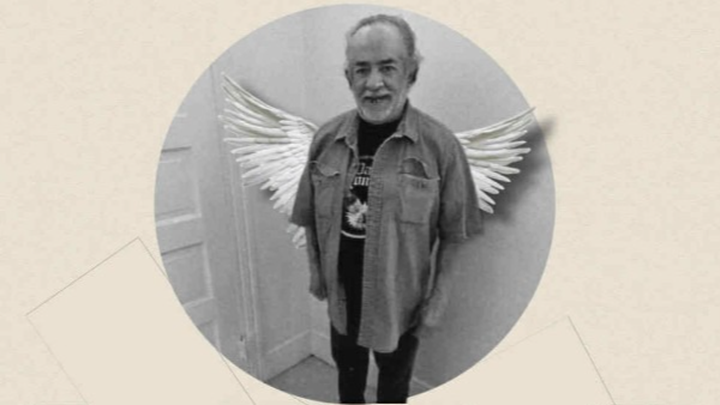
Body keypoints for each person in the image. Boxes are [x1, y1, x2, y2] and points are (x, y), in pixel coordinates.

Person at [290, 14, 483, 404]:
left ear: (410, 72)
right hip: (342, 299)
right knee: (348, 384)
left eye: (387, 67)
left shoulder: (440, 147)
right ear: (348, 77)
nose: (373, 82)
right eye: (361, 69)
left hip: (400, 305)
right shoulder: (325, 139)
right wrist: (315, 271)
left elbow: (456, 233)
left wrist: (438, 300)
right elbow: (309, 216)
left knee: (393, 389)